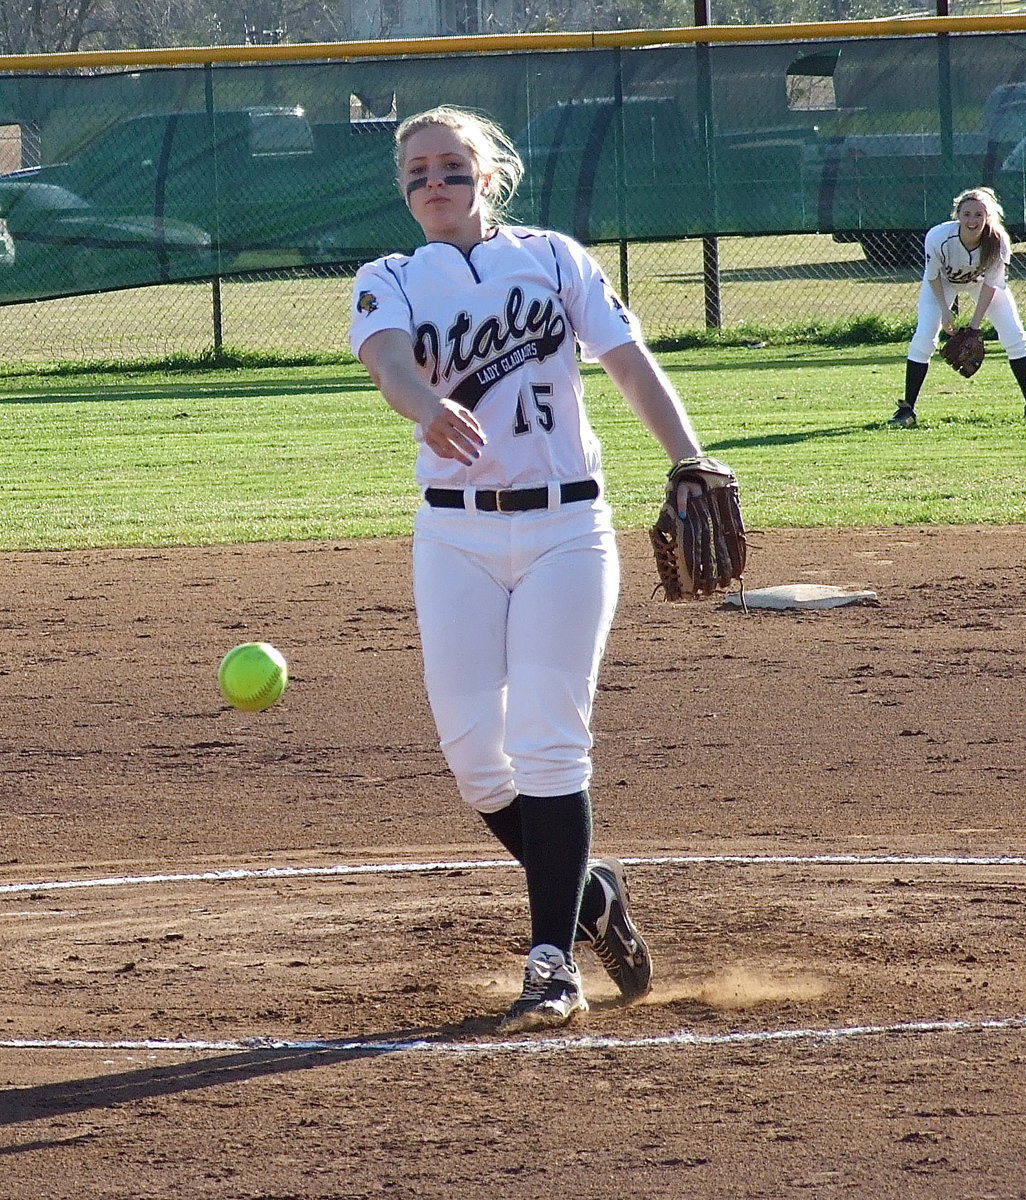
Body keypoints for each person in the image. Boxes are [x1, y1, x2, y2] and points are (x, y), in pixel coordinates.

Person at [350, 105, 709, 1033]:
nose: (434, 182)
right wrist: (426, 404)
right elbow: (388, 362)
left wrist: (690, 457)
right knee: (478, 764)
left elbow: (628, 363)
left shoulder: (553, 257)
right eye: (418, 172)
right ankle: (591, 896)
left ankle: (551, 961)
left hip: (566, 531)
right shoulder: (387, 277)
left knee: (551, 741)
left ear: (488, 176)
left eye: (452, 168)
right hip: (454, 538)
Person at [889, 186, 1026, 427]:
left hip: (980, 284)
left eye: (978, 214)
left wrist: (975, 327)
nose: (972, 220)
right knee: (924, 337)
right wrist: (946, 312)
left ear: (988, 216)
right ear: (958, 215)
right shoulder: (938, 237)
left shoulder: (998, 240)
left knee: (1014, 334)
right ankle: (907, 411)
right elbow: (933, 276)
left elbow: (991, 285)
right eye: (966, 214)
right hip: (942, 283)